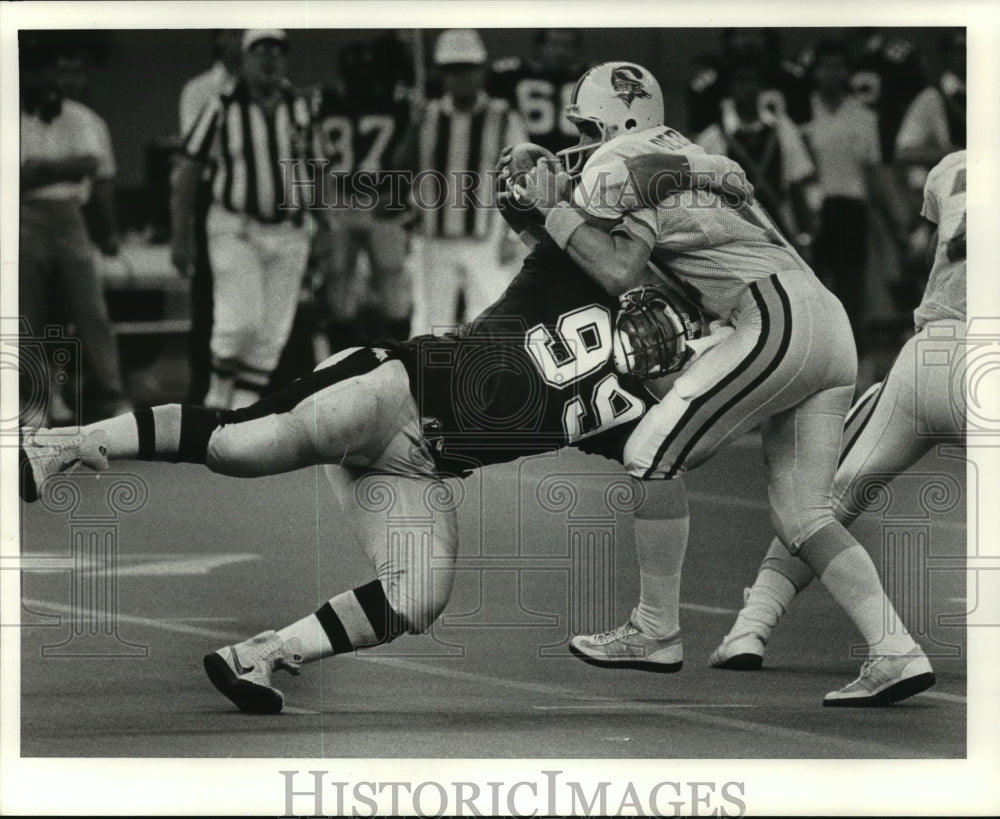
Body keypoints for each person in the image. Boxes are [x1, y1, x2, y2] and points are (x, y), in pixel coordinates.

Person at [20, 149, 745, 715]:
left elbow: (672, 459)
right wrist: (706, 170)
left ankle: (263, 654)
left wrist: (730, 384)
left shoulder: (631, 415)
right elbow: (529, 177)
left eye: (677, 342)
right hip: (391, 384)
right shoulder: (572, 261)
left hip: (418, 468)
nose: (659, 339)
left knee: (418, 596)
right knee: (241, 445)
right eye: (665, 319)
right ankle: (65, 443)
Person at [519, 61, 934, 706]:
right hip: (823, 320)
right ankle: (894, 650)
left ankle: (655, 630)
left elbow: (620, 270)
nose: (581, 142)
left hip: (773, 314)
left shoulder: (625, 157)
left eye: (586, 126)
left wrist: (549, 212)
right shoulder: (676, 150)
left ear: (616, 118)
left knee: (650, 454)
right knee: (802, 513)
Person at [709, 150, 967, 675]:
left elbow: (942, 251)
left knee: (820, 500)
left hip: (928, 355)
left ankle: (750, 627)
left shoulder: (955, 165)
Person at [171, 29, 321, 410]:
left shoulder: (300, 106)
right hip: (236, 226)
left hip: (291, 230)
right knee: (239, 323)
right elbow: (189, 169)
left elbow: (319, 168)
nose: (269, 59)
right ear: (246, 56)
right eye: (260, 50)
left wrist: (328, 226)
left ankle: (239, 411)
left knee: (272, 332)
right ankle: (216, 398)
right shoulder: (222, 104)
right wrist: (180, 236)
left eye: (277, 50)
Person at [19, 39, 132, 425]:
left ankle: (112, 394)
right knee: (29, 313)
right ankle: (37, 397)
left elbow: (98, 175)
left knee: (91, 312)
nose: (45, 79)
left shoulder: (85, 120)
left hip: (72, 216)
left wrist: (109, 232)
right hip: (22, 217)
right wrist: (66, 167)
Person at [396, 29, 528, 336]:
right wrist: (412, 127)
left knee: (493, 320)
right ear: (442, 74)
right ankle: (428, 383)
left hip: (487, 240)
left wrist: (513, 235)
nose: (461, 77)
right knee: (429, 325)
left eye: (467, 68)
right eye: (453, 70)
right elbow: (401, 169)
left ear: (482, 70)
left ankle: (486, 382)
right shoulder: (425, 115)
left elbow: (522, 173)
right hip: (433, 240)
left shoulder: (504, 116)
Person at [312, 35, 415, 351]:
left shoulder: (324, 101)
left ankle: (388, 356)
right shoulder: (396, 102)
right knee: (352, 283)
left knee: (371, 282)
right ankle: (391, 354)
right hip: (363, 199)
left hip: (360, 199)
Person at [801, 40, 882, 355]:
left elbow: (872, 171)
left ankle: (856, 366)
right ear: (816, 72)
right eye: (825, 67)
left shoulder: (863, 116)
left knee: (851, 293)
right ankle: (820, 361)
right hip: (814, 210)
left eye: (838, 67)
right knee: (815, 291)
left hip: (851, 209)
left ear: (846, 72)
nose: (831, 74)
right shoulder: (802, 111)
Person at [176, 30, 243, 406]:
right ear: (220, 41)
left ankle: (253, 390)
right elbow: (198, 152)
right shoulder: (200, 90)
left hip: (261, 204)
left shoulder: (272, 90)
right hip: (214, 194)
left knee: (256, 303)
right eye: (231, 35)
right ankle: (204, 388)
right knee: (208, 296)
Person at [694, 54, 817, 255]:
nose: (748, 88)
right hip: (732, 240)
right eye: (741, 81)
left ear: (761, 87)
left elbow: (797, 184)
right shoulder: (712, 138)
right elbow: (701, 199)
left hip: (780, 234)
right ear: (730, 88)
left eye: (753, 81)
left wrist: (805, 234)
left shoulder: (783, 129)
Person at [487, 29, 589, 154]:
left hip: (576, 158)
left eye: (568, 46)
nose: (561, 52)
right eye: (555, 44)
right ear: (539, 46)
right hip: (525, 155)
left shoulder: (590, 78)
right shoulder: (510, 74)